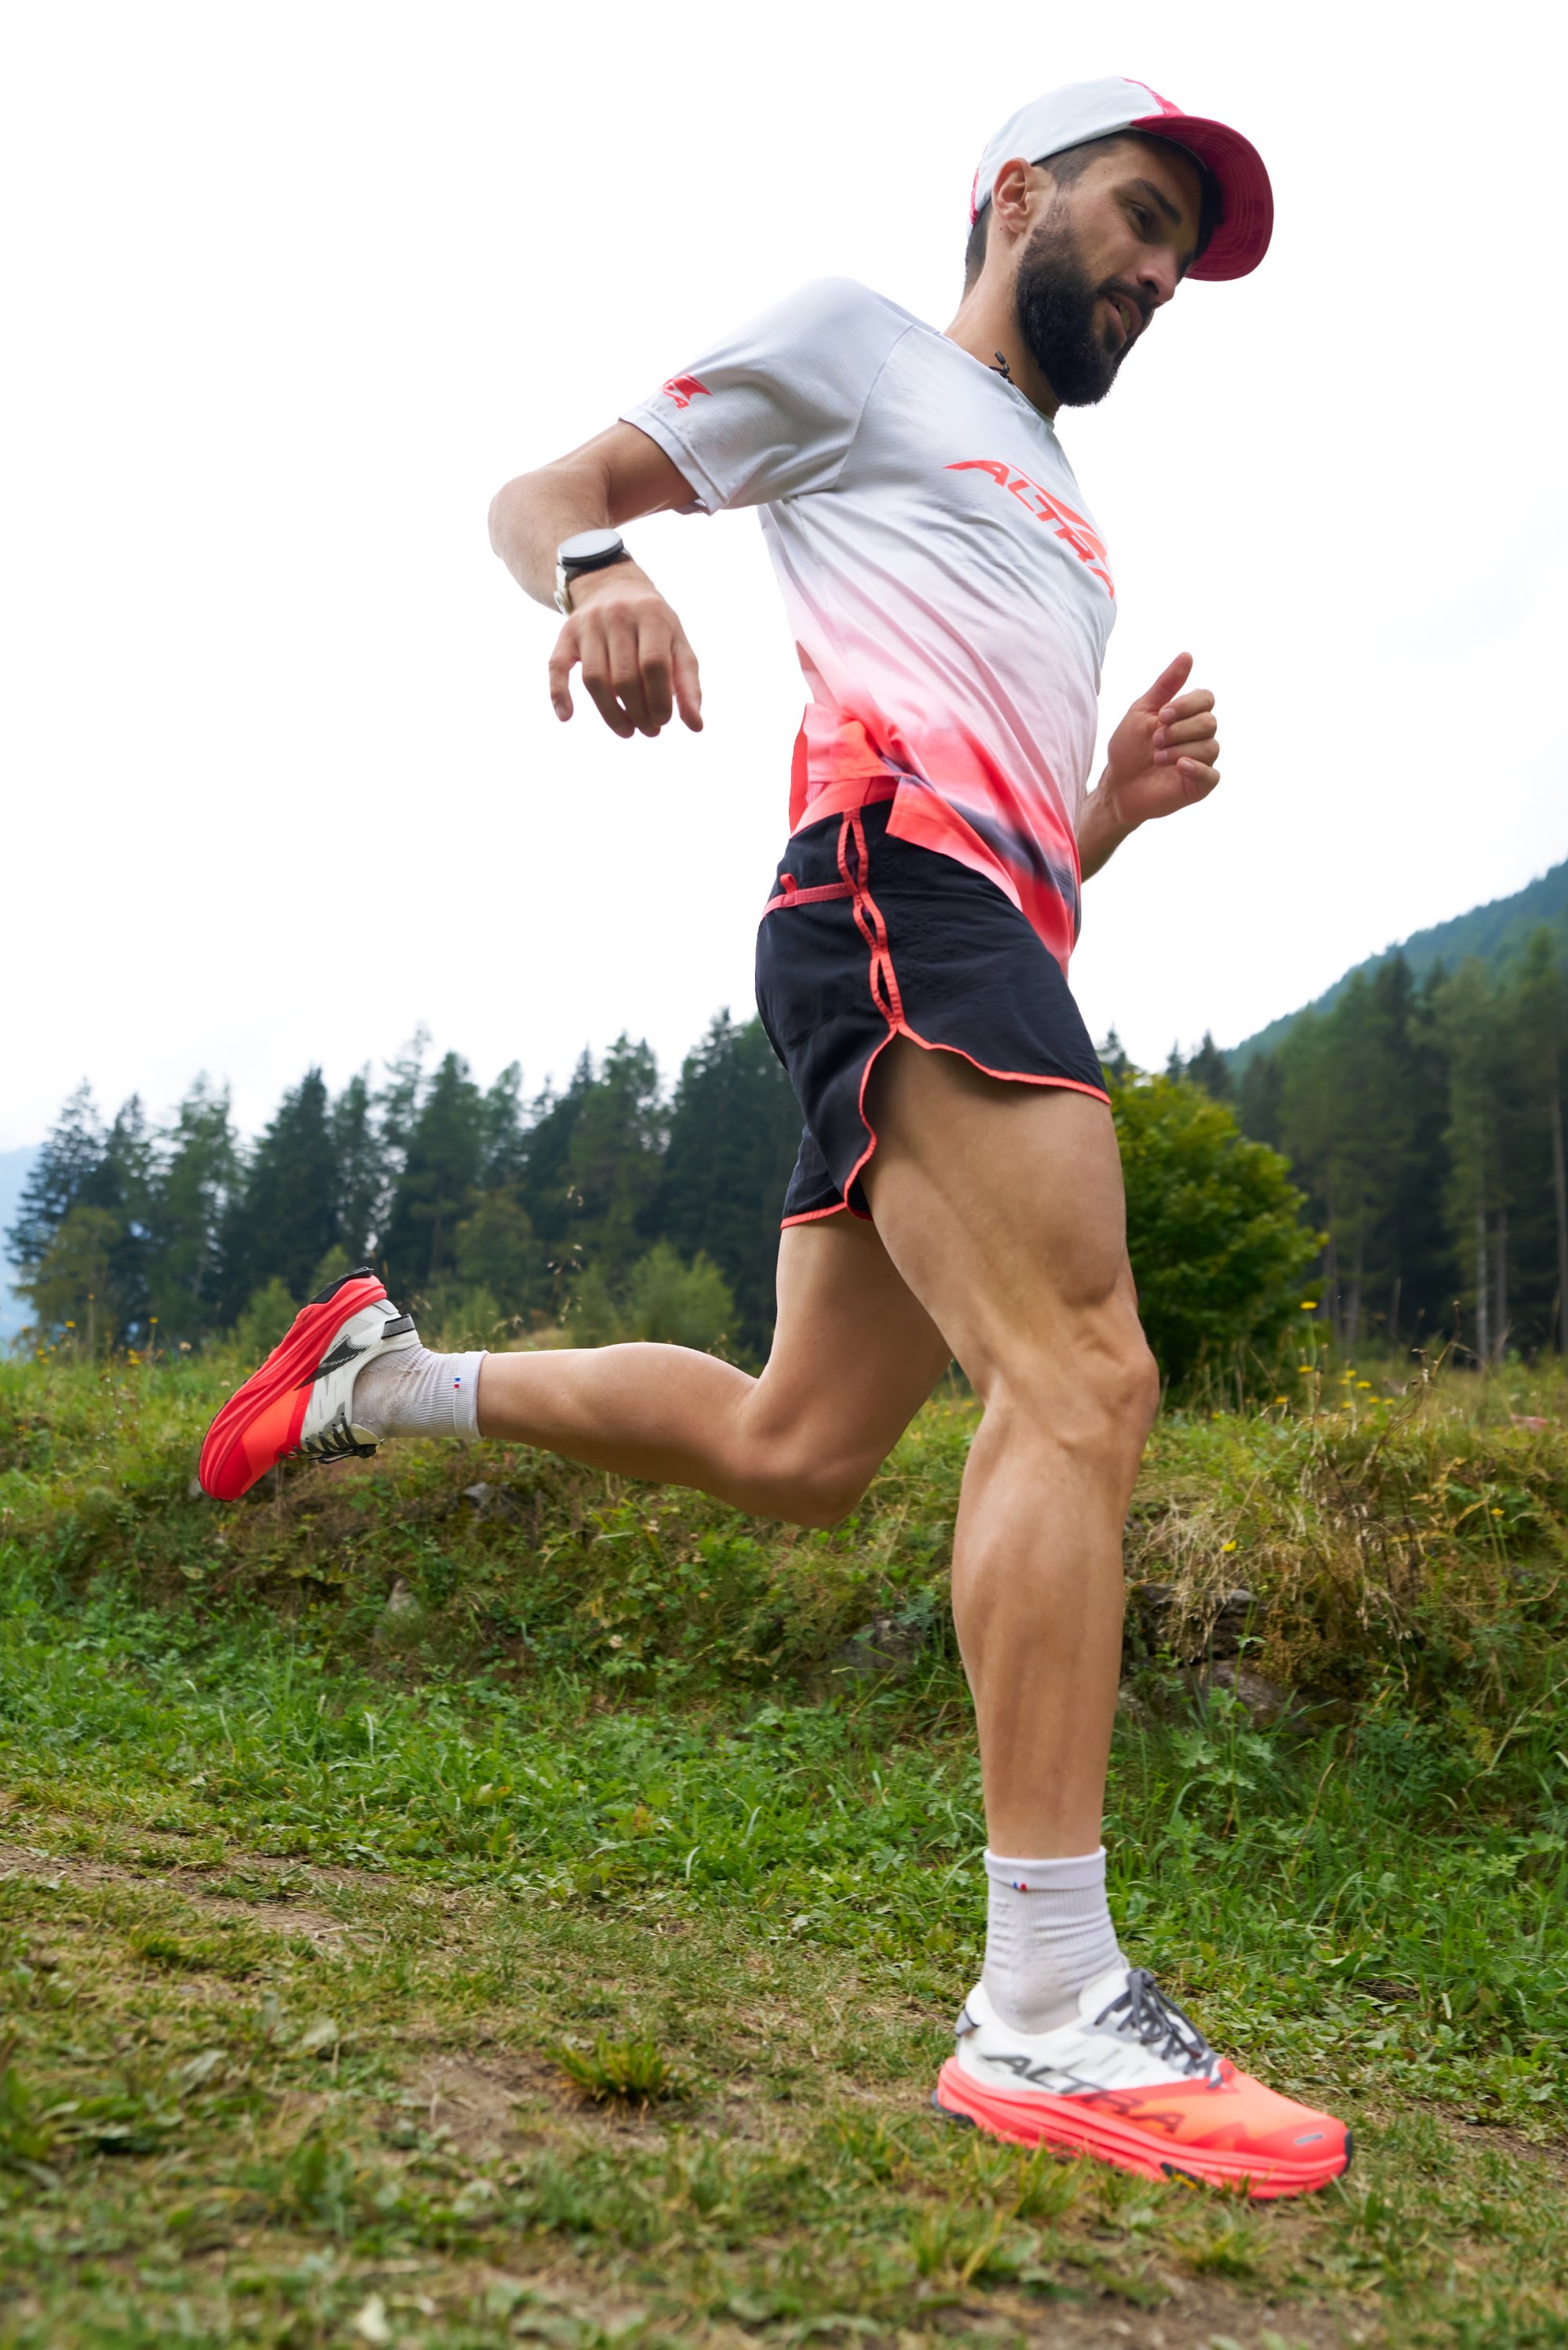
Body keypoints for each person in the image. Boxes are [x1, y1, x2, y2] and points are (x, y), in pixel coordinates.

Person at [200, 78, 1348, 2196]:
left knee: (800, 1450)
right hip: (883, 899)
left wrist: (1105, 813)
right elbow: (547, 480)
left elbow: (1022, 856)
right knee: (1081, 1380)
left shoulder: (1068, 511)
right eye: (1137, 213)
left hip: (968, 919)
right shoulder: (863, 351)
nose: (1161, 268)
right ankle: (1048, 2011)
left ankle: (379, 1381)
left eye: (1185, 245)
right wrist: (606, 566)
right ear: (1014, 196)